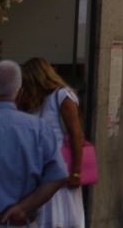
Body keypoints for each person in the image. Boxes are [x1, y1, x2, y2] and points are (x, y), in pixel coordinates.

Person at [0, 60, 68, 228]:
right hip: (19, 223)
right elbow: (58, 176)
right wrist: (23, 207)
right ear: (20, 93)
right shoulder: (38, 128)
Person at [16, 60, 84, 228]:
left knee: (60, 216)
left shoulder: (61, 96)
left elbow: (76, 134)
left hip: (62, 168)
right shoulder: (36, 102)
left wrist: (76, 172)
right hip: (42, 170)